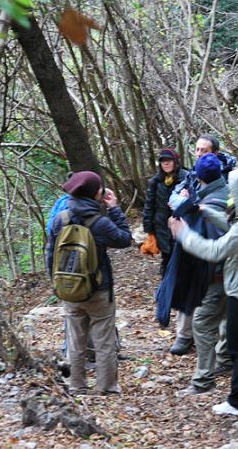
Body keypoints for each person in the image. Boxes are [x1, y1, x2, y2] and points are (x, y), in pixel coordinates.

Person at [170, 165, 238, 415]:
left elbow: (215, 250)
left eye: (236, 189)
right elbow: (232, 228)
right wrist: (205, 211)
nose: (232, 194)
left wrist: (184, 234)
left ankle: (237, 402)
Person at [45, 171, 132, 395]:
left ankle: (77, 386)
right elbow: (124, 240)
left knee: (75, 340)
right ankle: (107, 388)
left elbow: (50, 253)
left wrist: (55, 283)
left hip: (69, 290)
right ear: (96, 193)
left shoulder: (60, 219)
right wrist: (114, 209)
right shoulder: (100, 222)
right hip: (98, 290)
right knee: (104, 341)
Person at [166, 134, 235, 369]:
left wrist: (186, 230)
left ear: (215, 152)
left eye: (203, 150)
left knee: (211, 312)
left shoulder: (229, 179)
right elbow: (174, 195)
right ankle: (186, 337)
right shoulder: (193, 176)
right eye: (196, 150)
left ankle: (209, 370)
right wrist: (181, 201)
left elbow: (222, 234)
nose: (199, 154)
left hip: (214, 257)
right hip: (201, 253)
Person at [142, 148, 189, 276]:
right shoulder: (155, 182)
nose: (166, 163)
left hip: (182, 226)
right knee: (167, 260)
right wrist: (149, 230)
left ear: (175, 161)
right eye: (163, 161)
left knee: (184, 261)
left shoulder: (187, 177)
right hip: (162, 228)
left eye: (168, 160)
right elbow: (149, 206)